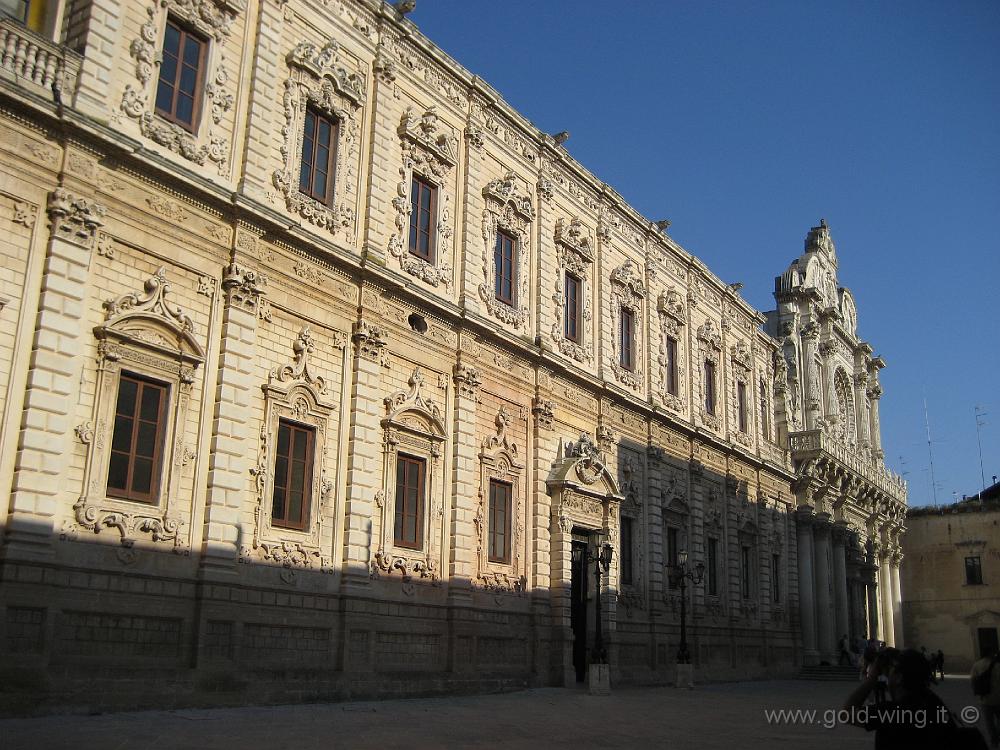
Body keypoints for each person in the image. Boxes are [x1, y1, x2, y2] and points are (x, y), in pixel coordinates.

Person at [844, 647, 987, 749]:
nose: (888, 675)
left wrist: (871, 677)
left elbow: (847, 713)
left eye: (892, 671)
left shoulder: (894, 713)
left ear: (900, 678)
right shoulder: (933, 702)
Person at [971, 647, 1000, 747]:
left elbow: (973, 681)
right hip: (997, 698)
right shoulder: (997, 665)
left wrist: (977, 693)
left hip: (984, 699)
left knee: (989, 722)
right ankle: (997, 736)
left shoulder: (976, 665)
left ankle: (994, 740)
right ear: (991, 653)